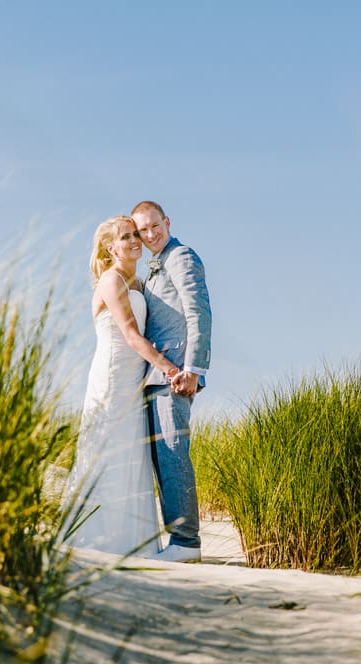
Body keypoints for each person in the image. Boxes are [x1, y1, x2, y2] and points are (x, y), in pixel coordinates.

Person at [67, 215, 183, 557]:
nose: (135, 241)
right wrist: (169, 368)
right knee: (107, 447)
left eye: (136, 234)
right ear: (109, 246)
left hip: (135, 379)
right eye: (125, 237)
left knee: (132, 450)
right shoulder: (111, 280)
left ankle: (133, 541)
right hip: (113, 374)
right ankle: (94, 540)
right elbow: (132, 336)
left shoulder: (139, 284)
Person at [132, 200, 212, 563]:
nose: (150, 235)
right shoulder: (153, 266)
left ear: (167, 221)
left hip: (177, 374)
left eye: (154, 226)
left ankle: (186, 541)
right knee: (162, 457)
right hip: (154, 375)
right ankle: (175, 540)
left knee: (173, 453)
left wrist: (194, 369)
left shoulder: (181, 257)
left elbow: (198, 313)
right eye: (142, 230)